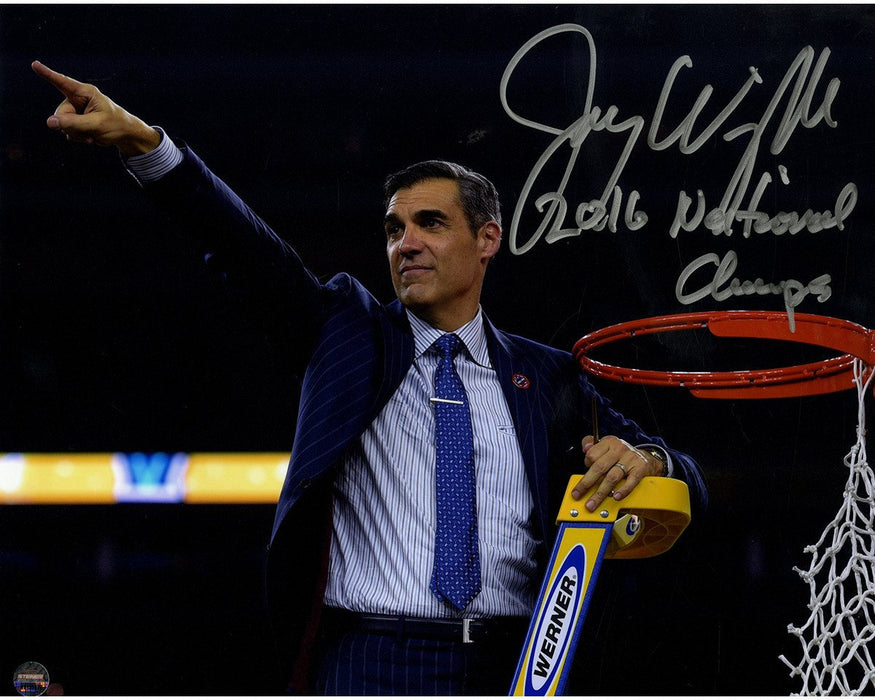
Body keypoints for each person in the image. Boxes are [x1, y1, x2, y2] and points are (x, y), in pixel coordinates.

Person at [33, 60, 707, 695]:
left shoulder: (549, 375)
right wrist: (143, 143)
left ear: (487, 240)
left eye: (430, 223)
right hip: (365, 662)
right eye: (392, 228)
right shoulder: (344, 331)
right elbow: (244, 247)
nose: (404, 243)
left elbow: (686, 481)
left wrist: (645, 458)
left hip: (518, 664)